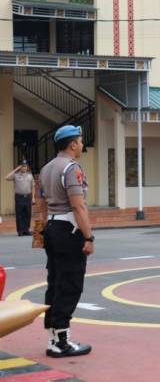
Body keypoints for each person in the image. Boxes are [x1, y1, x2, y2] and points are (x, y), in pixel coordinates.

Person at [38, 125, 93, 357]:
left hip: (51, 226)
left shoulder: (47, 168)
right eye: (80, 141)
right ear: (72, 144)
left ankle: (53, 337)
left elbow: (40, 203)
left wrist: (40, 231)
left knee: (55, 281)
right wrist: (89, 236)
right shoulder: (71, 168)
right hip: (68, 228)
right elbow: (78, 205)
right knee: (70, 284)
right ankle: (62, 341)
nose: (82, 145)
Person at [5, 160, 35, 236]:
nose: (24, 167)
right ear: (20, 167)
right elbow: (6, 177)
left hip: (28, 197)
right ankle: (20, 231)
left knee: (28, 214)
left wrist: (33, 197)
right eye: (22, 166)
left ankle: (26, 230)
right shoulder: (16, 175)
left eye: (25, 166)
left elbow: (33, 187)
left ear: (27, 167)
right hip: (19, 197)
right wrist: (15, 169)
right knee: (19, 214)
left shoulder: (30, 175)